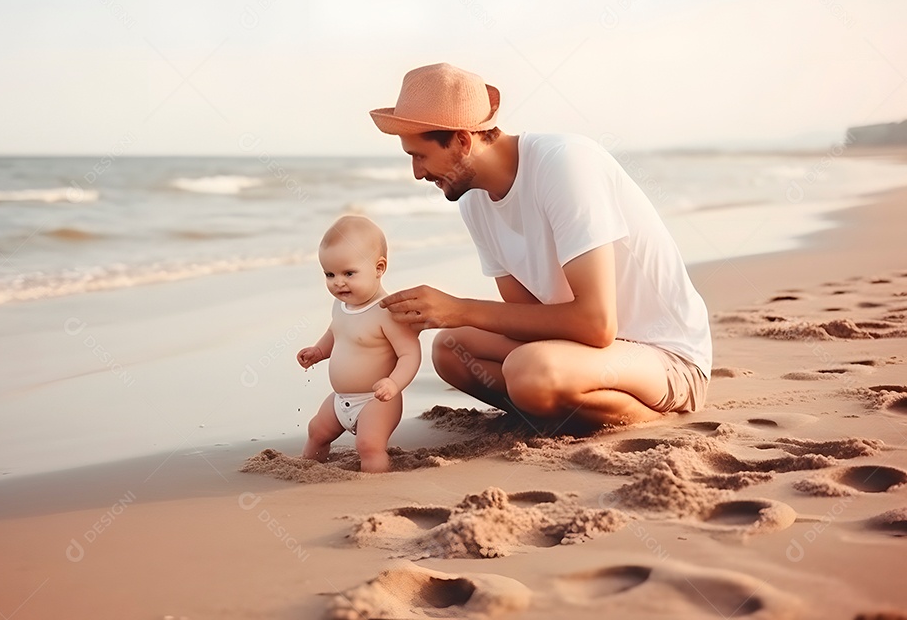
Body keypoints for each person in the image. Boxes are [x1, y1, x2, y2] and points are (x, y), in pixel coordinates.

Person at [369, 63, 712, 427]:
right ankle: (552, 407)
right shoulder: (475, 202)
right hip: (586, 355)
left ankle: (647, 417)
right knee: (450, 350)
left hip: (664, 357)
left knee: (528, 370)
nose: (417, 173)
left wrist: (460, 309)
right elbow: (529, 318)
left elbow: (596, 324)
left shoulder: (563, 164)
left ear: (462, 140)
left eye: (418, 156)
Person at [297, 215, 422, 472]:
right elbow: (336, 333)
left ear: (379, 268)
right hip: (340, 398)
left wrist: (394, 383)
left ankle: (374, 485)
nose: (338, 282)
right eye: (329, 274)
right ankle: (307, 469)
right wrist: (319, 351)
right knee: (316, 431)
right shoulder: (341, 306)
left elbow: (410, 354)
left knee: (369, 445)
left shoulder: (387, 312)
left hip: (376, 400)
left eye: (349, 273)